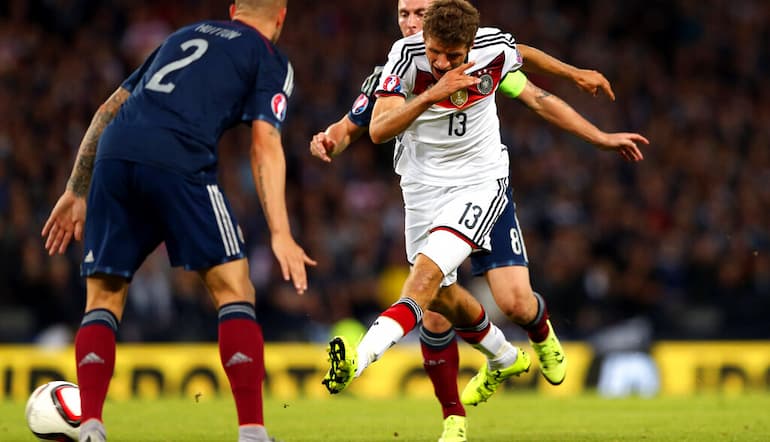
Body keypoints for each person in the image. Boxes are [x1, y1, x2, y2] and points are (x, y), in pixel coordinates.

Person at [323, 0, 646, 438]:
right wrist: (428, 94)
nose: (439, 62)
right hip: (421, 190)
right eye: (406, 17)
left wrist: (579, 84)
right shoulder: (402, 58)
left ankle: (359, 363)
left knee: (442, 287)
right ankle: (502, 355)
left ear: (468, 44)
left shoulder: (491, 52)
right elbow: (375, 129)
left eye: (451, 56)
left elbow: (528, 70)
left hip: (479, 184)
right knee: (440, 302)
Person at [41, 1, 315, 441]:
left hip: (115, 154)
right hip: (178, 158)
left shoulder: (183, 35)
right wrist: (281, 233)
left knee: (103, 299)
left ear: (232, 10)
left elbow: (108, 108)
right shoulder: (269, 57)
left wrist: (76, 190)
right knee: (234, 288)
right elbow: (264, 144)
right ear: (280, 16)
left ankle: (91, 426)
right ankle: (252, 433)